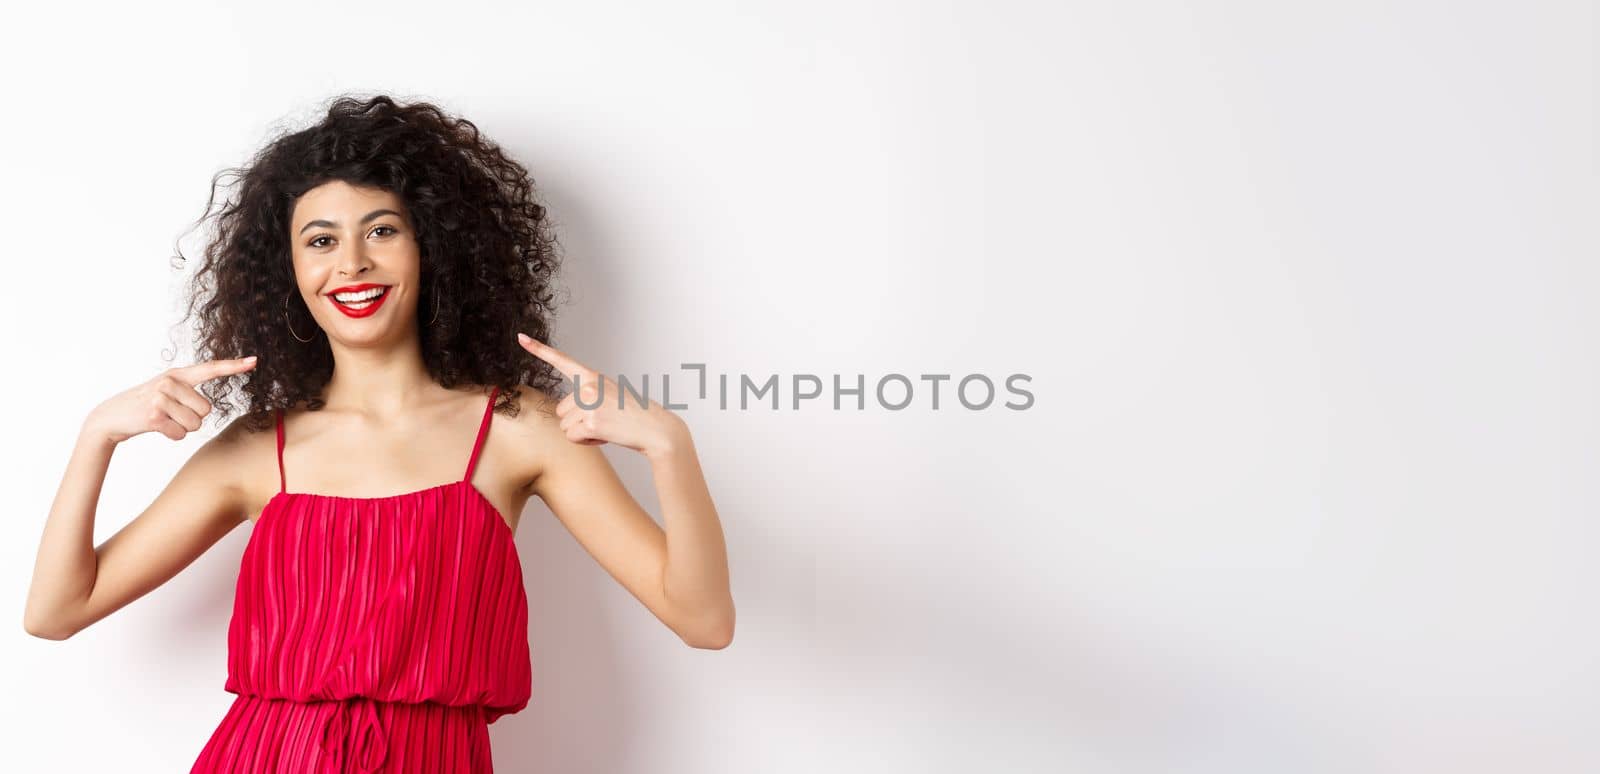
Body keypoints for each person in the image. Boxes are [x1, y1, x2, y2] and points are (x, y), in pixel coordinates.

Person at [22, 94, 735, 772]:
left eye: (382, 230)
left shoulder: (521, 430)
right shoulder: (254, 449)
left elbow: (703, 621)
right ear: (290, 270)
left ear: (434, 250)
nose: (352, 262)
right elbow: (56, 612)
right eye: (321, 239)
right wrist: (96, 438)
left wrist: (672, 450)